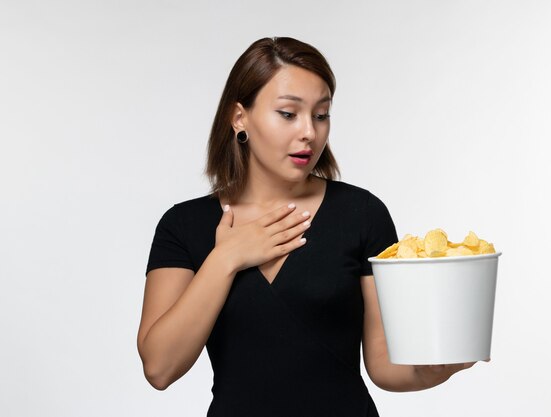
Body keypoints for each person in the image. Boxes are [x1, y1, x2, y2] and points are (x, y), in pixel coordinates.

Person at [138, 36, 476, 416]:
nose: (309, 133)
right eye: (288, 113)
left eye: (321, 114)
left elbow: (383, 365)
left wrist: (437, 368)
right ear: (239, 118)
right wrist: (227, 257)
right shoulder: (183, 225)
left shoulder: (362, 214)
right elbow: (160, 367)